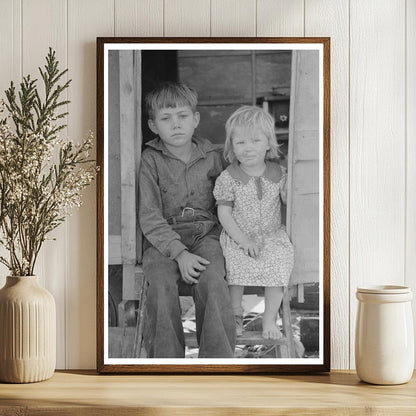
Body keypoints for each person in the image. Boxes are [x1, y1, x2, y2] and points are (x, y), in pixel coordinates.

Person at [138, 82, 236, 358]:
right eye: (166, 119)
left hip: (207, 234)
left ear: (195, 119)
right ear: (153, 126)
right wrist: (179, 253)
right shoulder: (150, 159)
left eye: (182, 116)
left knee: (213, 278)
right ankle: (166, 363)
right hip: (163, 238)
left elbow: (234, 194)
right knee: (158, 279)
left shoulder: (214, 156)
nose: (176, 124)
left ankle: (218, 363)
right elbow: (149, 214)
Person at [213, 105, 294, 339]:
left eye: (255, 141)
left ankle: (269, 320)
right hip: (238, 235)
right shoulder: (228, 178)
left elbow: (289, 201)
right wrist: (243, 240)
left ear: (268, 143)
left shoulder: (279, 172)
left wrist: (290, 192)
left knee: (279, 261)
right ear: (232, 146)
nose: (248, 148)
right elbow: (224, 214)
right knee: (235, 264)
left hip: (271, 234)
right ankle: (235, 316)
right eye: (240, 143)